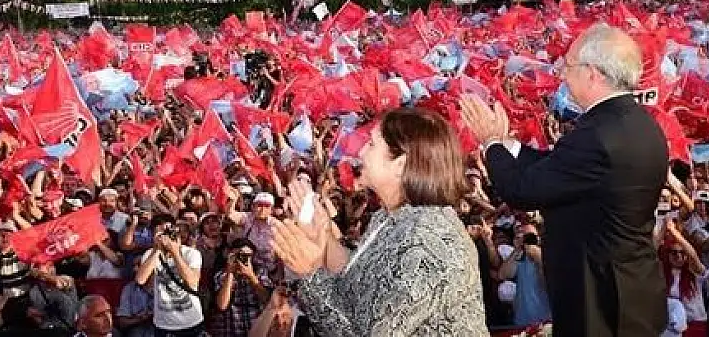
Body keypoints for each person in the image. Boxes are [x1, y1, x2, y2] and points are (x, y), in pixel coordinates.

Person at [461, 23, 669, 337]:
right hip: (630, 291)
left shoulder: (597, 134)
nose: (561, 75)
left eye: (568, 66)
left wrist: (490, 143)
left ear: (592, 73)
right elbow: (559, 168)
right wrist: (509, 145)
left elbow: (521, 191)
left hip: (600, 302)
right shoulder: (640, 125)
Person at [270, 108, 490, 336]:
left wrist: (310, 274)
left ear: (399, 165)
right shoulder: (388, 217)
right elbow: (356, 280)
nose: (362, 151)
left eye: (372, 144)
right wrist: (323, 234)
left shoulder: (427, 243)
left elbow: (366, 331)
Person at [135, 213, 205, 337]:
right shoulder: (150, 254)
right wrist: (157, 250)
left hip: (191, 320)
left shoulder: (191, 253)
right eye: (160, 234)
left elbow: (192, 281)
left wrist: (175, 252)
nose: (164, 238)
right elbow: (140, 279)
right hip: (164, 324)